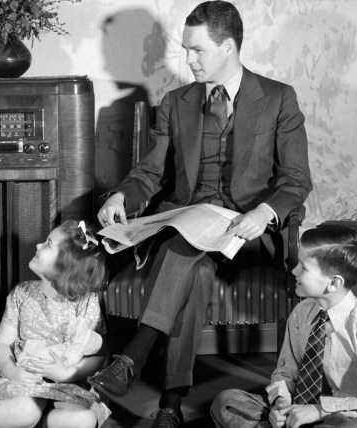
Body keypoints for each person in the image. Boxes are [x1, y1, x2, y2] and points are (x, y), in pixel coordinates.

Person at [89, 2, 312, 427]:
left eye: (197, 51)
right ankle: (171, 406)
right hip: (191, 228)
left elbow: (297, 180)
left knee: (181, 251)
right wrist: (121, 197)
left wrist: (264, 213)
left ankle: (133, 356)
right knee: (194, 270)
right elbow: (150, 173)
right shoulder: (176, 102)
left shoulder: (279, 98)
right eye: (186, 50)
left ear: (227, 47)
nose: (187, 60)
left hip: (249, 235)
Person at [210, 226, 357, 427]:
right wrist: (280, 403)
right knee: (227, 402)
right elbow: (286, 373)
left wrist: (320, 410)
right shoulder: (301, 313)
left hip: (348, 417)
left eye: (303, 267)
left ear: (334, 283)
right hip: (299, 408)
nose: (294, 271)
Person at [0, 220, 110, 428]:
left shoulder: (86, 303)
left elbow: (98, 354)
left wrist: (67, 374)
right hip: (23, 381)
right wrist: (11, 371)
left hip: (68, 385)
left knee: (84, 419)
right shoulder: (22, 293)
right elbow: (1, 344)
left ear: (65, 266)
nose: (37, 245)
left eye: (48, 244)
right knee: (26, 410)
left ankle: (6, 418)